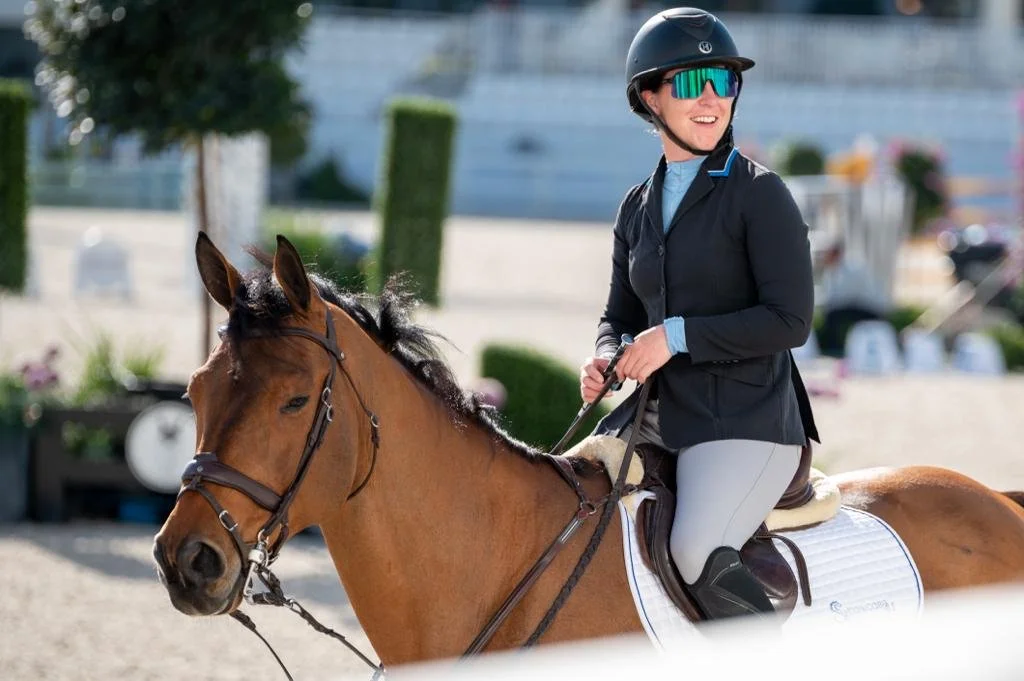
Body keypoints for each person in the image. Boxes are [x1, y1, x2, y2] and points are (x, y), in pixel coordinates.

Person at [578, 7, 820, 621]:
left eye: (725, 82)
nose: (711, 98)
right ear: (650, 98)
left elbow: (791, 320)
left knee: (692, 549)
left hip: (748, 420)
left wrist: (676, 337)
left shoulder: (761, 194)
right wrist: (608, 355)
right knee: (563, 510)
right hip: (658, 414)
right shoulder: (636, 207)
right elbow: (618, 315)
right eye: (691, 83)